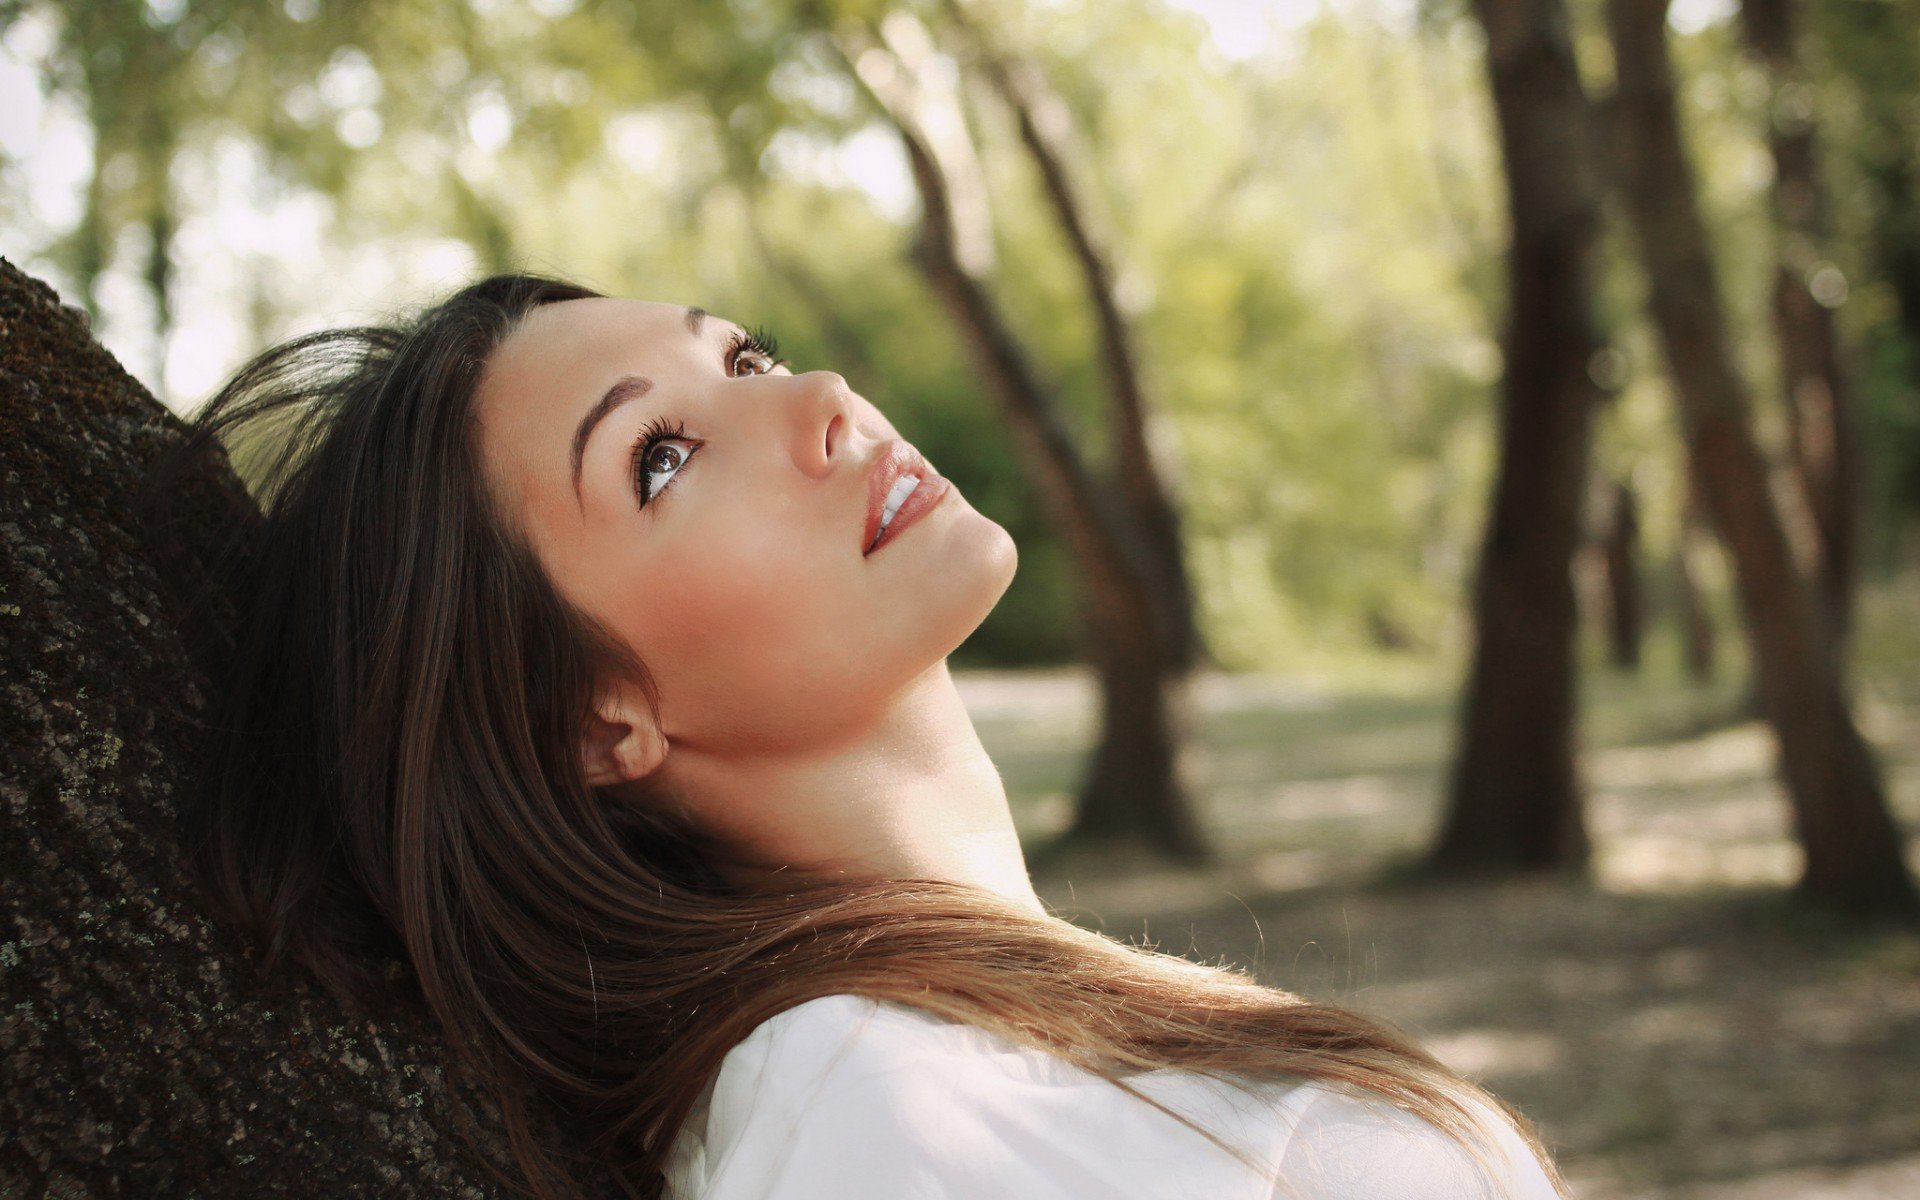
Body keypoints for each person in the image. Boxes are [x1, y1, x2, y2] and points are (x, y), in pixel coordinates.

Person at [145, 273, 1568, 1199]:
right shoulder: (865, 1106)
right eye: (663, 457)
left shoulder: (943, 1042)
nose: (818, 404)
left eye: (745, 355)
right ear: (593, 716)